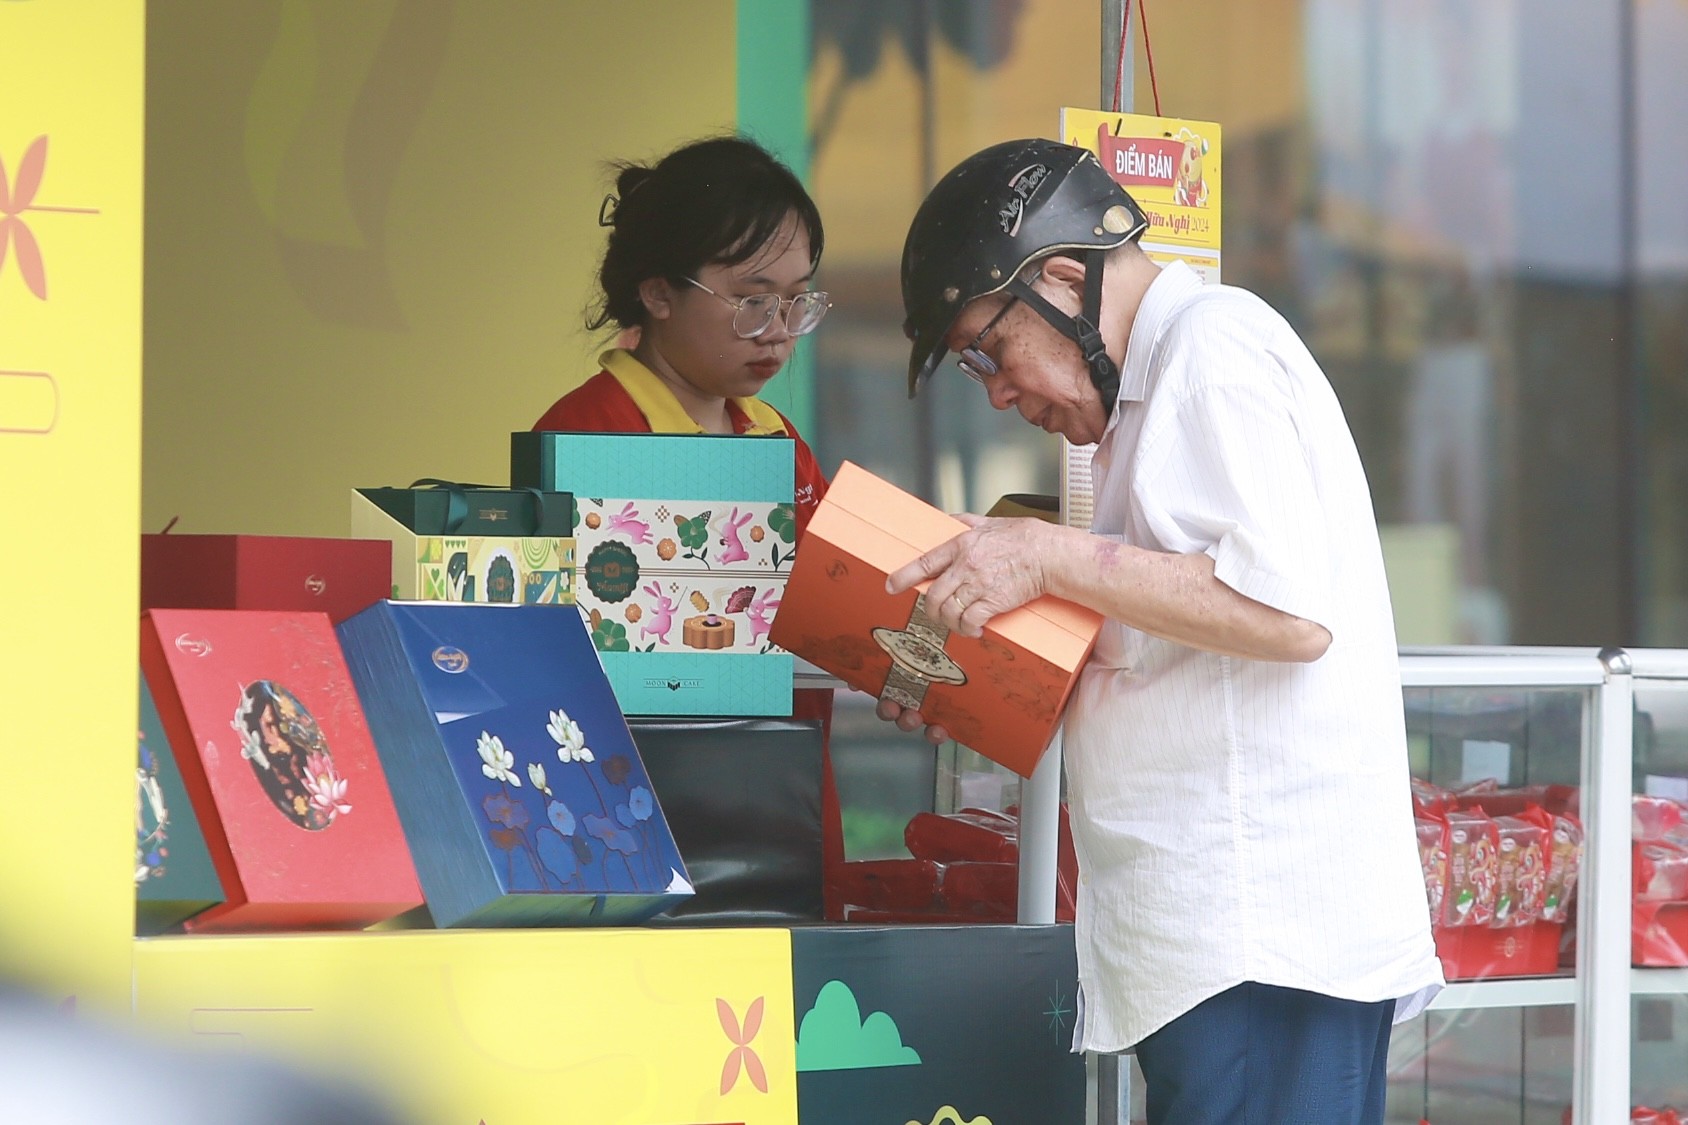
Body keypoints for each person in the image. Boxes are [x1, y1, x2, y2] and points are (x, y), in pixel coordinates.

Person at [885, 138, 1444, 1124]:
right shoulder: (1147, 398)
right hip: (1214, 943)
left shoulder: (1209, 353)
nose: (998, 392)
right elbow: (1163, 628)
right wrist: (973, 668)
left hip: (1262, 939)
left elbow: (1284, 613)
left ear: (1061, 277)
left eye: (987, 350)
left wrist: (1044, 557)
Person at [532, 135, 843, 913]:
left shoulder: (777, 440)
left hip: (784, 800)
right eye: (752, 299)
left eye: (797, 299)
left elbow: (838, 604)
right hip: (635, 811)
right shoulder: (583, 440)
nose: (779, 328)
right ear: (659, 293)